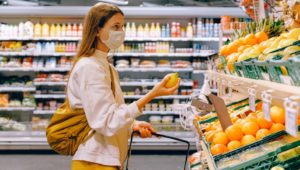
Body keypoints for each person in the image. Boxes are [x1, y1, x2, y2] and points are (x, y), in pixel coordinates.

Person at [68, 3, 180, 170]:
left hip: (107, 160)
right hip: (95, 161)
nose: (121, 32)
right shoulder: (89, 67)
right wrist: (151, 95)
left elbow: (109, 114)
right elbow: (106, 121)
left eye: (122, 26)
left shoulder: (106, 67)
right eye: (115, 26)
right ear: (97, 30)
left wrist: (131, 126)